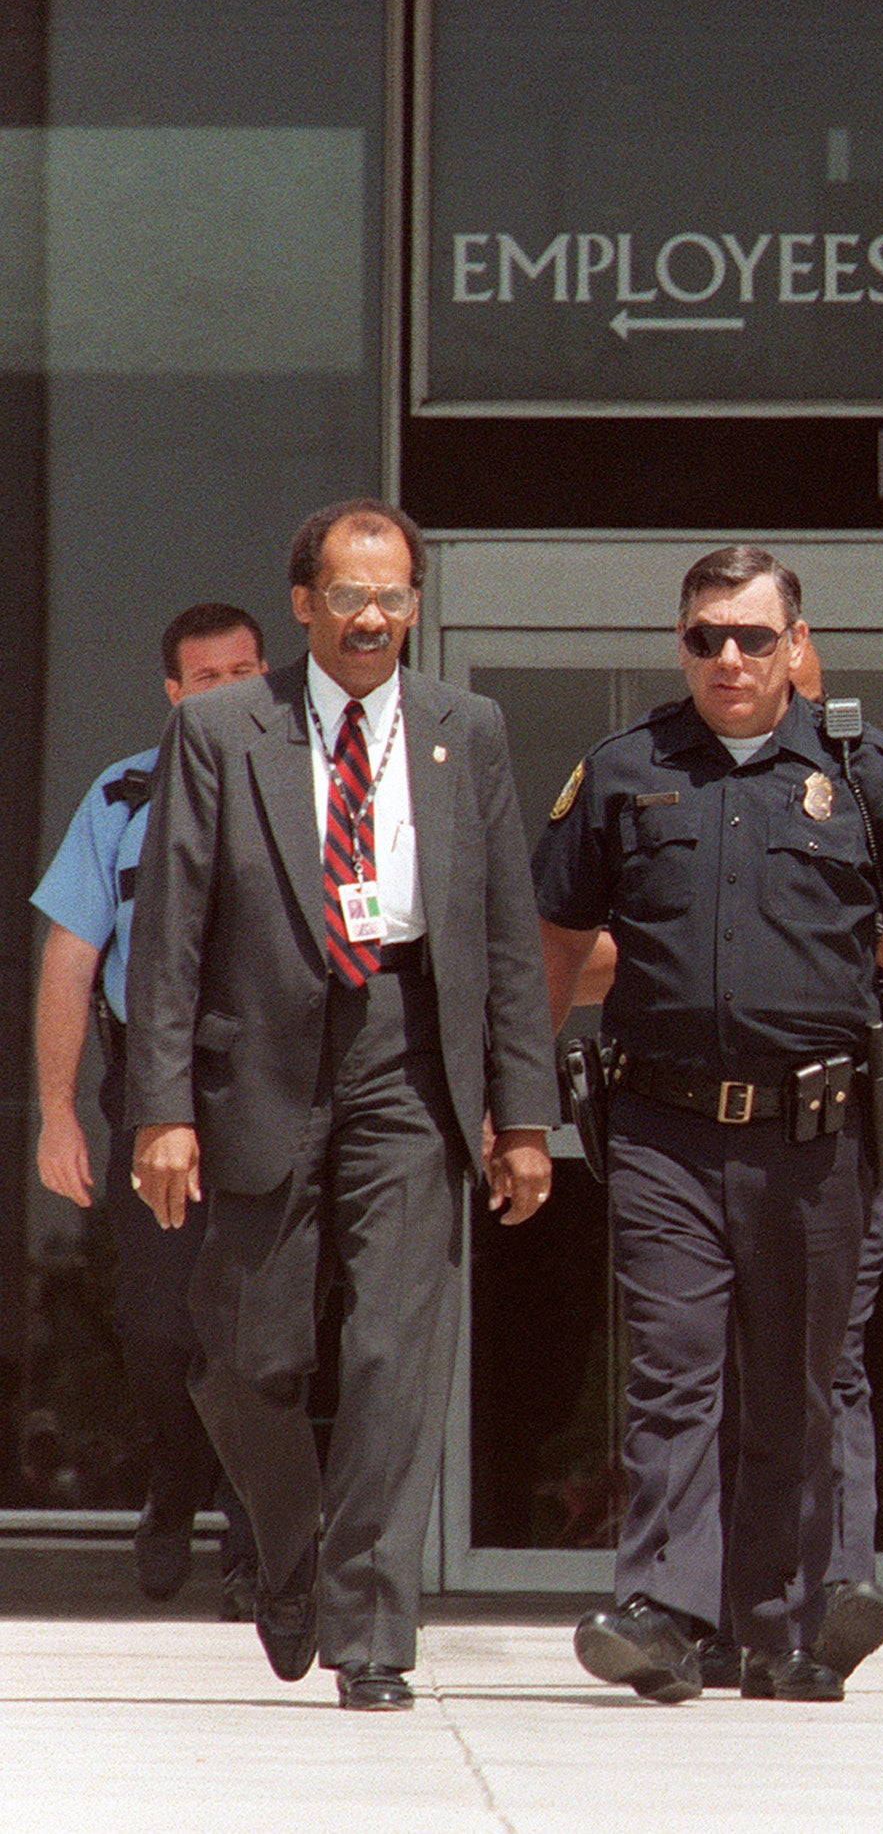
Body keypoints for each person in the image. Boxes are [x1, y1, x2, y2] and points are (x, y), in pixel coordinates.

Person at [541, 545, 883, 1704]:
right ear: (681, 646)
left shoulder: (862, 773)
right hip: (663, 1127)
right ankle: (663, 1608)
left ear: (797, 643)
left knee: (801, 1377)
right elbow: (553, 939)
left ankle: (786, 1624)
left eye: (753, 636)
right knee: (674, 1367)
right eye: (707, 637)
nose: (731, 658)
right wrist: (516, 1094)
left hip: (816, 1130)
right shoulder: (621, 770)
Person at [124, 500, 558, 1711]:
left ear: (417, 603)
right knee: (246, 1353)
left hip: (408, 1052)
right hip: (256, 1058)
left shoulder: (467, 728)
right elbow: (169, 927)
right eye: (351, 595)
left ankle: (372, 1632)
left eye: (396, 596)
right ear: (304, 602)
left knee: (391, 1357)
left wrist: (523, 1113)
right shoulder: (221, 728)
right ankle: (293, 1543)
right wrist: (162, 1106)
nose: (374, 618)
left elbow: (504, 940)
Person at [32, 602, 269, 1613]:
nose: (227, 693)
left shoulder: (310, 791)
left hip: (274, 1085)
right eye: (206, 679)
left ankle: (262, 1541)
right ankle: (178, 1483)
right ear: (174, 696)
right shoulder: (123, 793)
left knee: (268, 1329)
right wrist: (57, 1111)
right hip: (154, 1084)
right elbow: (70, 960)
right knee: (162, 1325)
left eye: (245, 673)